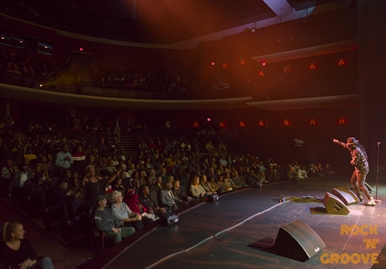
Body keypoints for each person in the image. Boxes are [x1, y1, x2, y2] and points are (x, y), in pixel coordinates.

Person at [333, 137, 375, 206]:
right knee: (352, 180)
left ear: (354, 144)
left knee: (360, 184)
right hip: (358, 169)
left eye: (350, 145)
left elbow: (354, 162)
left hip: (362, 169)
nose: (348, 146)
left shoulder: (356, 151)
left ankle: (370, 199)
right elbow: (345, 145)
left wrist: (351, 161)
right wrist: (337, 142)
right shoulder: (352, 147)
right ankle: (359, 196)